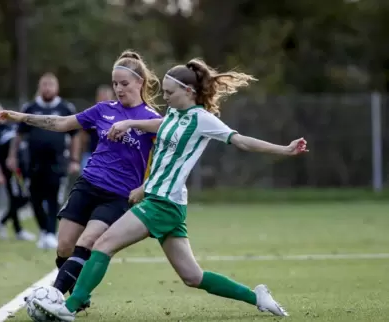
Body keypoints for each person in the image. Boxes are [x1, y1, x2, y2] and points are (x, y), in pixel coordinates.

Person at [33, 59, 309, 321]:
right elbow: (161, 134)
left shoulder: (203, 119)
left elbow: (242, 141)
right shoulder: (176, 113)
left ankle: (69, 306)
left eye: (169, 92)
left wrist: (283, 149)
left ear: (188, 91)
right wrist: (132, 129)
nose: (164, 97)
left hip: (163, 203)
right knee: (193, 276)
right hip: (165, 201)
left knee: (103, 244)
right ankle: (257, 297)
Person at [0, 50, 161, 310]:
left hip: (119, 195)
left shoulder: (152, 119)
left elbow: (171, 133)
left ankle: (52, 298)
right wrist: (21, 117)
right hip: (88, 184)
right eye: (115, 83)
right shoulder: (103, 110)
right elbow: (62, 123)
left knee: (87, 242)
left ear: (140, 82)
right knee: (64, 247)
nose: (118, 89)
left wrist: (131, 126)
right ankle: (78, 293)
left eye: (124, 84)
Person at [7, 73, 82, 249]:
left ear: (57, 88)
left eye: (51, 84)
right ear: (39, 87)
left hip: (57, 163)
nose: (47, 88)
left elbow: (76, 136)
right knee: (34, 198)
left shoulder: (66, 108)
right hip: (33, 163)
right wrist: (12, 156)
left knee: (54, 198)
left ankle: (50, 232)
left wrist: (74, 159)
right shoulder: (30, 107)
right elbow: (18, 135)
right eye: (44, 85)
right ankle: (43, 230)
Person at [0, 103, 36, 241]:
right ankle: (13, 227)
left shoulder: (13, 127)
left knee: (24, 198)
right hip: (9, 171)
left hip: (22, 169)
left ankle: (8, 225)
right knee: (17, 199)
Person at [79, 85, 115, 170]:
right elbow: (83, 135)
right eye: (102, 97)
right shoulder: (91, 115)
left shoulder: (117, 116)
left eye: (107, 97)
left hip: (110, 157)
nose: (104, 100)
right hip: (91, 154)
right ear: (97, 98)